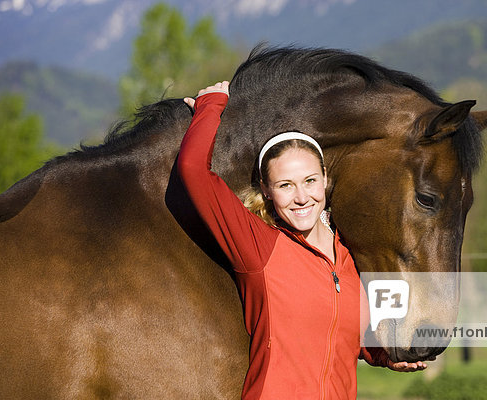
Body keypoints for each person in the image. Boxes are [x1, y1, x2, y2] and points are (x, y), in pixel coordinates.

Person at [178, 81, 427, 399]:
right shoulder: (258, 247)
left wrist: (382, 355)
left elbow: (341, 332)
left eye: (309, 181)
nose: (301, 197)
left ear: (325, 179)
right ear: (267, 191)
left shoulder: (351, 257)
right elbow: (192, 170)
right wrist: (211, 105)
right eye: (285, 185)